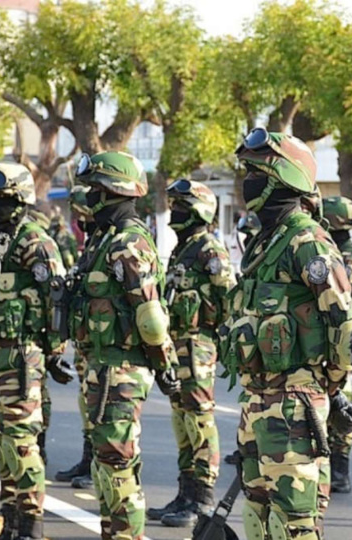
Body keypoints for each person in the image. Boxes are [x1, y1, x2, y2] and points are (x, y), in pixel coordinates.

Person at [224, 129, 352, 540]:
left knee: (293, 525)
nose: (248, 181)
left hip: (296, 403)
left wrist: (327, 387)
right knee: (259, 519)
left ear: (283, 177)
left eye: (256, 172)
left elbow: (345, 326)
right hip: (258, 399)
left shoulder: (307, 241)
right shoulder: (267, 243)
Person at [69, 151, 180, 540]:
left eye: (94, 190)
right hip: (103, 367)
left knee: (118, 471)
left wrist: (165, 364)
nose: (88, 199)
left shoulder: (128, 243)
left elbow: (150, 317)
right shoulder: (106, 239)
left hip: (120, 372)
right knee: (107, 469)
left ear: (111, 192)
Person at [0, 163, 69, 540]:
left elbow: (57, 301)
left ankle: (31, 524)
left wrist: (54, 353)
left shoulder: (35, 242)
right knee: (1, 444)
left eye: (0, 198)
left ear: (18, 197)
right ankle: (10, 520)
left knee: (22, 445)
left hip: (23, 358)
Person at [147, 179, 235, 527]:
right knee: (182, 421)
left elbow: (229, 299)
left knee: (199, 419)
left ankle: (202, 498)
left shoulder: (209, 251)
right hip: (178, 346)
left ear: (199, 209)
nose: (175, 212)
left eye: (182, 205)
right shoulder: (183, 249)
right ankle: (185, 492)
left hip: (198, 347)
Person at [54, 185, 97, 491]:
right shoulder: (93, 246)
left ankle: (96, 462)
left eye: (82, 213)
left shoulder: (111, 243)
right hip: (85, 342)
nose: (79, 219)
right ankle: (88, 458)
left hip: (103, 345)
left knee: (99, 406)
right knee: (86, 402)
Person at [321, 195, 352, 494]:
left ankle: (340, 470)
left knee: (340, 403)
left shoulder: (347, 257)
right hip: (342, 337)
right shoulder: (344, 251)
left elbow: (351, 299)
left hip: (345, 337)